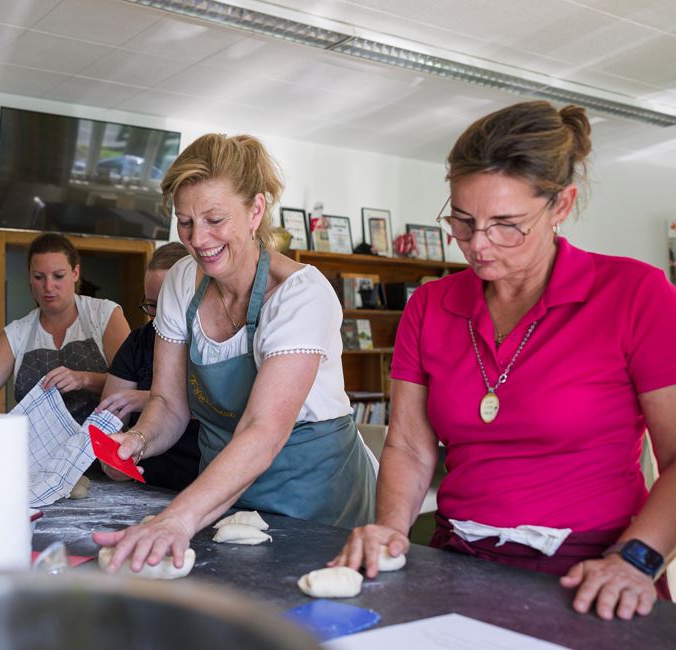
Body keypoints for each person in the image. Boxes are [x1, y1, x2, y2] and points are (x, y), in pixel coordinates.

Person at [331, 101, 676, 621]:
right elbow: (406, 443)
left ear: (561, 205)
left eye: (506, 224)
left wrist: (637, 560)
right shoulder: (430, 305)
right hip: (459, 562)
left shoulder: (635, 293)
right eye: (464, 222)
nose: (479, 245)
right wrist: (391, 532)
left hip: (593, 574)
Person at [94, 134, 377, 573]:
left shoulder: (300, 296)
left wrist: (175, 519)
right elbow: (168, 404)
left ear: (256, 210)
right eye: (185, 222)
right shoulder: (181, 283)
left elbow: (263, 429)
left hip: (312, 492)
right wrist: (138, 440)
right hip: (221, 490)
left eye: (214, 219)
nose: (198, 239)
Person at [0, 233, 130, 424]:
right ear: (29, 277)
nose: (48, 286)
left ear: (75, 273)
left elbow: (130, 383)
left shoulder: (104, 314)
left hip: (100, 449)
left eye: (58, 276)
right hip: (37, 453)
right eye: (39, 277)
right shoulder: (17, 333)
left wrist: (84, 379)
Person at [97, 242, 201, 491]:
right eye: (150, 305)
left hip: (205, 482)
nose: (157, 317)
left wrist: (145, 399)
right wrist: (112, 459)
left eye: (165, 305)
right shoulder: (138, 343)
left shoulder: (214, 343)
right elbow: (108, 423)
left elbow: (226, 409)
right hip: (150, 484)